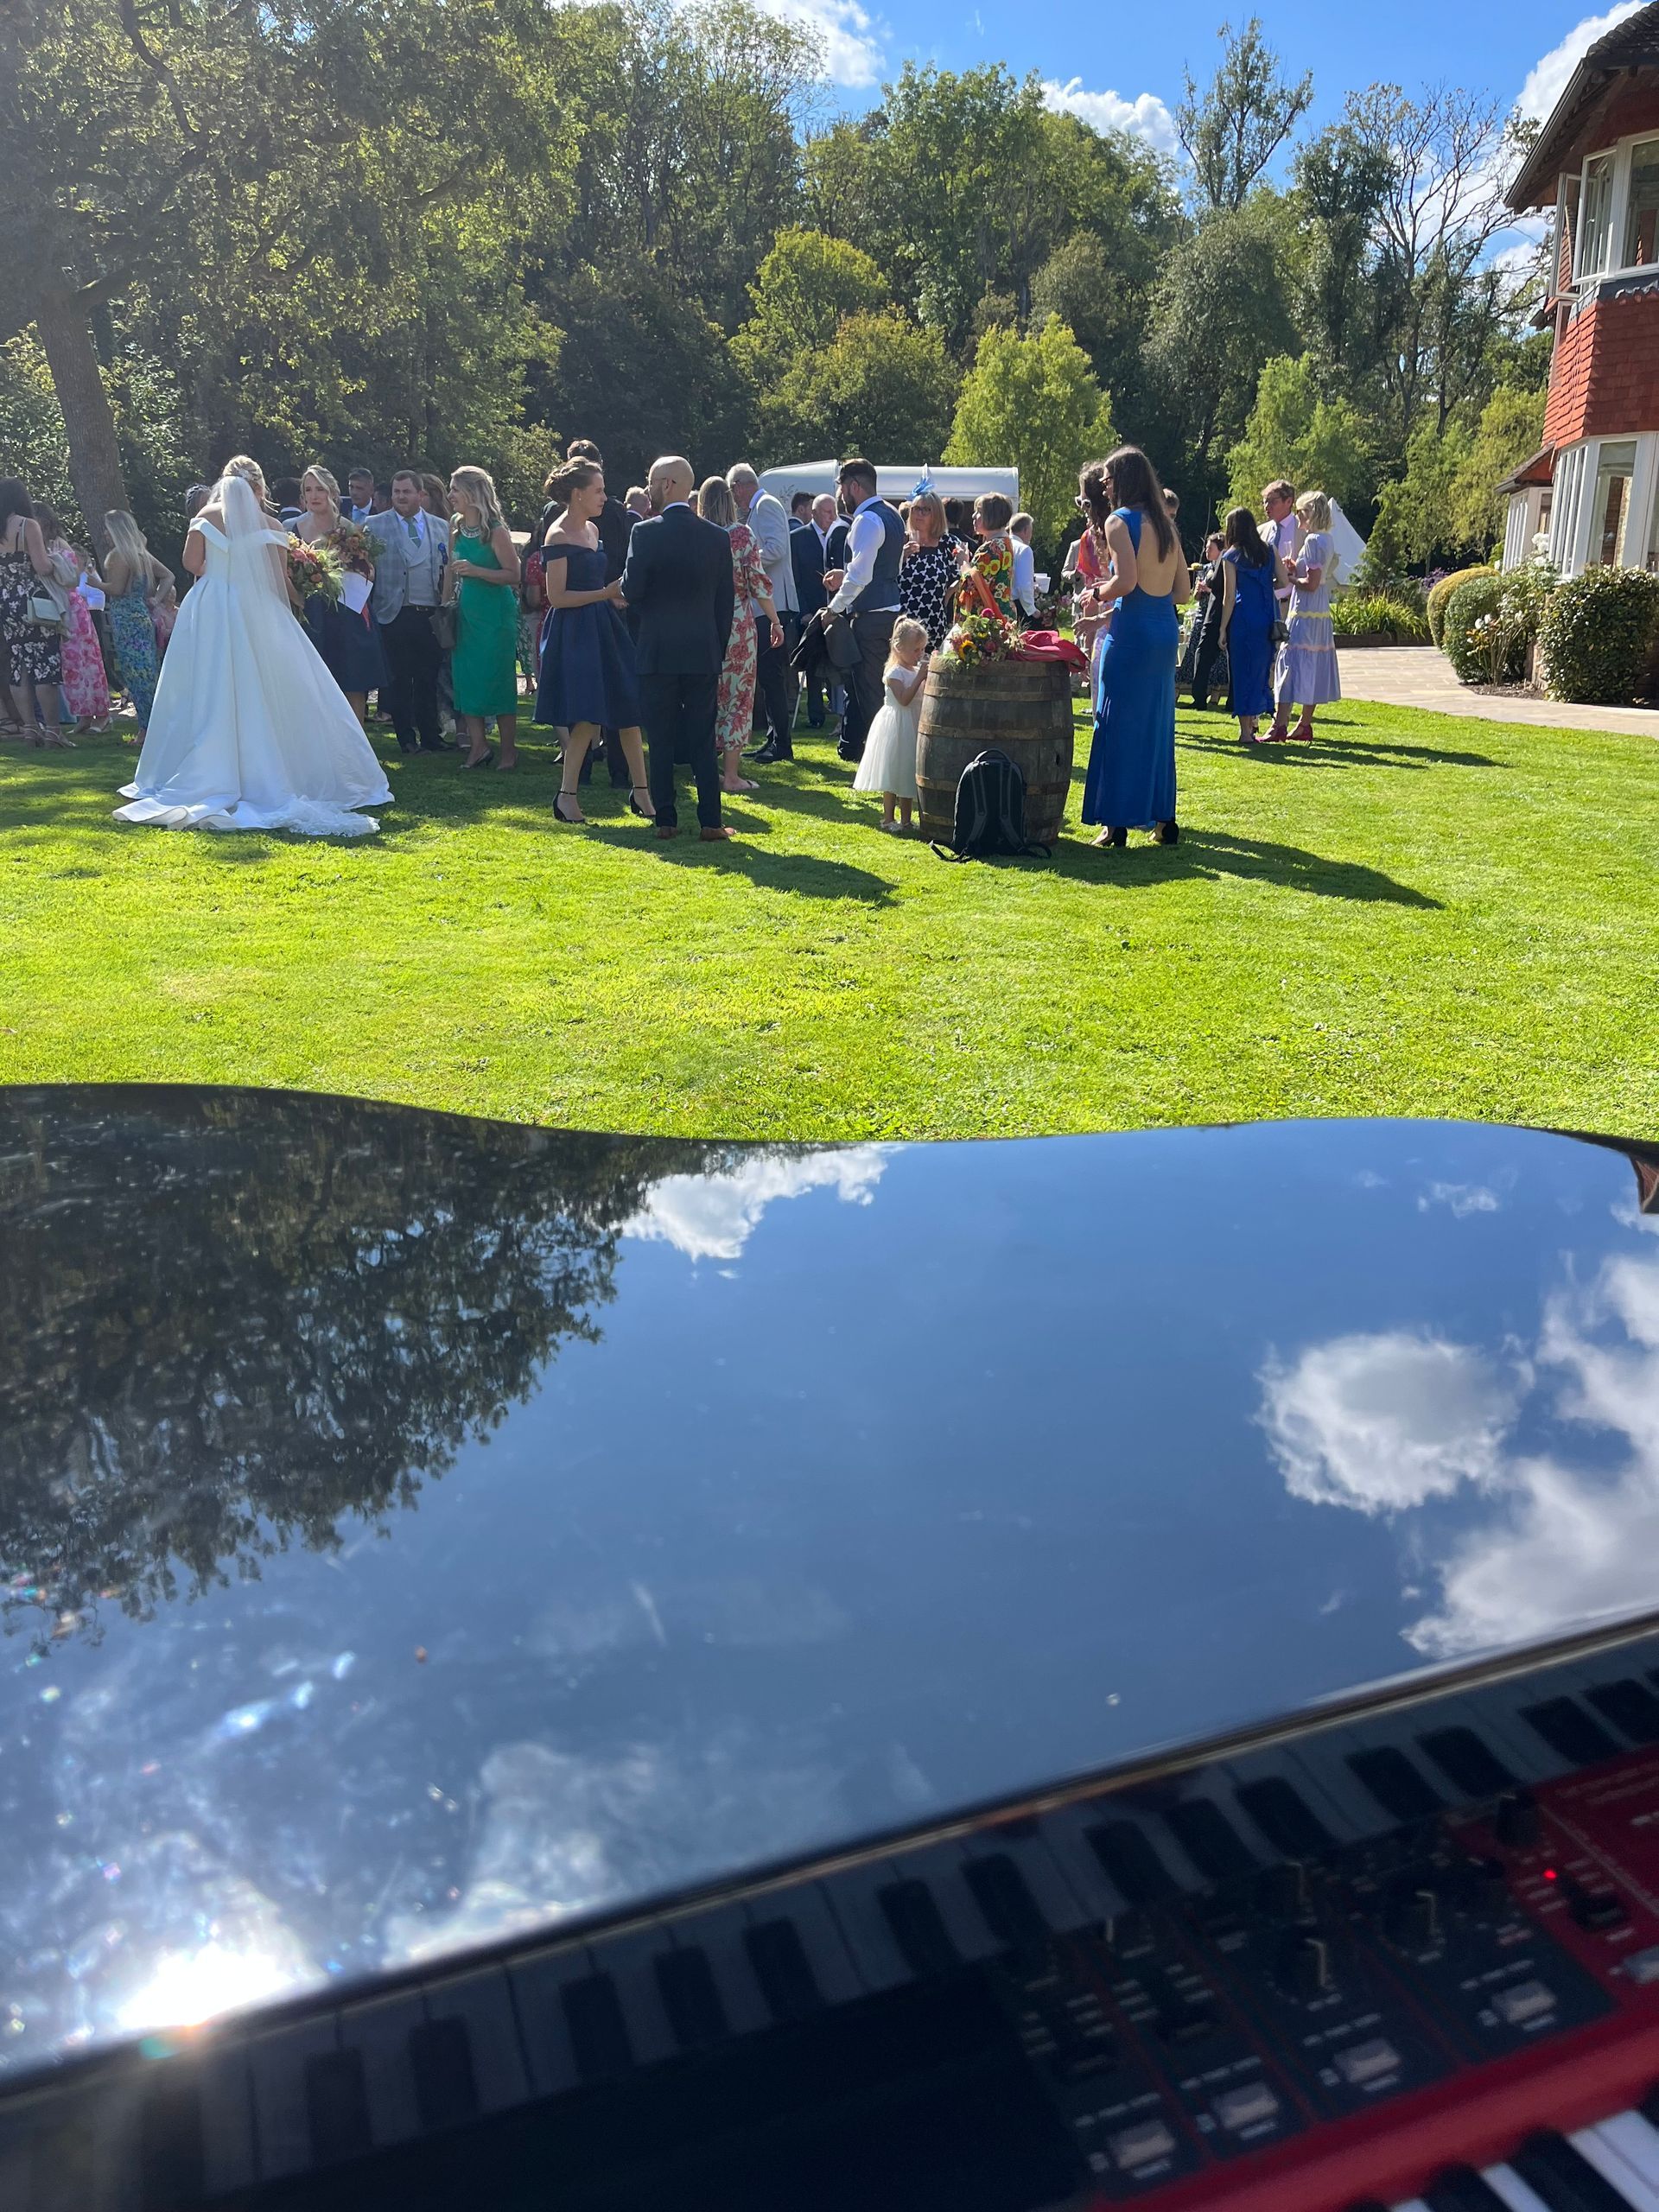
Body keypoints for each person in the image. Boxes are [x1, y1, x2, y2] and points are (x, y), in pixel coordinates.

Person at [115, 458, 393, 836]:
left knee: (209, 684)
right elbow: (280, 579)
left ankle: (206, 762)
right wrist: (311, 591)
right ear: (259, 490)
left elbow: (192, 564)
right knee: (261, 682)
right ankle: (266, 766)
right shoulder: (272, 525)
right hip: (257, 607)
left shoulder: (206, 516)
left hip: (212, 607)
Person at [618, 454, 734, 842]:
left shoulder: (645, 534)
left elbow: (631, 592)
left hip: (657, 650)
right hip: (702, 651)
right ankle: (711, 821)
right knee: (703, 739)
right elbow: (725, 604)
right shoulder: (717, 537)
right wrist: (715, 650)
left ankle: (665, 818)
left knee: (661, 738)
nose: (649, 488)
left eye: (651, 481)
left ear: (667, 484)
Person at [1081, 445, 1190, 851]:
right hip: (1163, 630)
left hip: (1131, 632)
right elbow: (1182, 592)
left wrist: (1096, 592)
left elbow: (1125, 581)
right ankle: (1163, 819)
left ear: (1121, 481)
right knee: (1157, 725)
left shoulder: (1118, 522)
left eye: (1108, 479)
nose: (1104, 486)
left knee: (1115, 722)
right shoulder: (1166, 526)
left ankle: (1115, 825)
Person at [535, 458, 652, 822]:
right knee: (587, 716)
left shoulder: (593, 531)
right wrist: (604, 593)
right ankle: (566, 797)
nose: (604, 497)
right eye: (598, 490)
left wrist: (613, 597)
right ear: (577, 493)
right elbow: (557, 597)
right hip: (575, 634)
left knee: (628, 709)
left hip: (603, 625)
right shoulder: (557, 536)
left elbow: (595, 588)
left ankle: (643, 794)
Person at [700, 475, 779, 795]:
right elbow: (758, 583)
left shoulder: (699, 535)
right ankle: (732, 776)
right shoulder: (741, 535)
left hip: (703, 624)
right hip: (737, 626)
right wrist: (775, 621)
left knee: (706, 698)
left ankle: (706, 769)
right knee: (738, 699)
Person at [823, 458, 903, 764]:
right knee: (886, 691)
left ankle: (882, 765)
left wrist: (833, 608)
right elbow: (885, 568)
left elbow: (861, 576)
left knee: (871, 695)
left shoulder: (866, 519)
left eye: (843, 487)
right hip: (891, 613)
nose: (842, 494)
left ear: (855, 486)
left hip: (870, 619)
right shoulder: (893, 515)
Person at [293, 464, 386, 728]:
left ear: (332, 492)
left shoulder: (349, 530)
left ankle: (356, 742)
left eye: (320, 489)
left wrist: (348, 565)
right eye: (308, 490)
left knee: (352, 678)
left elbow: (370, 573)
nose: (314, 495)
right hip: (309, 612)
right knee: (314, 679)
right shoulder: (292, 529)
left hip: (346, 612)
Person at [365, 468, 450, 753]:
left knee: (428, 677)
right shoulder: (374, 525)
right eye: (397, 492)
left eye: (407, 492)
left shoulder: (441, 527)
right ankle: (406, 738)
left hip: (430, 613)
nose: (401, 497)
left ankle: (431, 735)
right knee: (399, 679)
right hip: (393, 611)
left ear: (421, 495)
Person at [445, 466, 521, 772]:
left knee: (497, 679)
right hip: (466, 612)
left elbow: (513, 575)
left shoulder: (496, 530)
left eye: (455, 490)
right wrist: (444, 604)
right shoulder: (455, 527)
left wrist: (477, 571)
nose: (450, 496)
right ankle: (478, 747)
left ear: (472, 493)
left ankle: (508, 751)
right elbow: (449, 570)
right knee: (466, 678)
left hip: (495, 615)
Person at [728, 463, 798, 765]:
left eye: (734, 491)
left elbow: (777, 548)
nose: (734, 499)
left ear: (740, 486)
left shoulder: (766, 505)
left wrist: (746, 561)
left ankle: (781, 743)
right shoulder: (761, 507)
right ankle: (774, 738)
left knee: (772, 677)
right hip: (768, 602)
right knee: (769, 678)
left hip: (773, 604)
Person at [0, 479, 69, 746]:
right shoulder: (28, 526)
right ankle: (53, 729)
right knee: (44, 664)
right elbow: (41, 567)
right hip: (33, 601)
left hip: (7, 603)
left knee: (18, 666)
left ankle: (30, 728)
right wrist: (56, 564)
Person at [1269, 491, 1341, 742]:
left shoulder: (1312, 541)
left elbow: (1311, 583)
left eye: (1300, 511)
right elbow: (1316, 577)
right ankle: (1304, 723)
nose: (1298, 516)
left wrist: (1289, 577)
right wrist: (1296, 568)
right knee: (1312, 665)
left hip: (1304, 612)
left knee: (1289, 661)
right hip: (1319, 613)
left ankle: (1280, 724)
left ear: (1309, 513)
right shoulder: (1327, 540)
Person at [36, 504, 111, 733]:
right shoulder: (38, 546)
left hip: (72, 609)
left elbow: (72, 577)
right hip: (59, 608)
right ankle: (84, 716)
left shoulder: (60, 545)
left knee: (86, 662)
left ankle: (102, 716)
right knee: (71, 666)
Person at [1215, 505, 1285, 746]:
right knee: (1260, 671)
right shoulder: (1269, 550)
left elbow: (1229, 596)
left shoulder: (1231, 555)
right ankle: (1255, 725)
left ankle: (1246, 732)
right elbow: (1284, 581)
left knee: (1242, 672)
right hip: (1266, 617)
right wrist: (1265, 586)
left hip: (1243, 618)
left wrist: (1223, 628)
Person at [853, 615, 928, 834]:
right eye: (915, 650)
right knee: (893, 772)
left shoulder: (915, 672)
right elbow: (904, 699)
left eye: (922, 649)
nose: (919, 654)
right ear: (898, 648)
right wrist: (920, 677)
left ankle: (906, 819)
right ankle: (888, 818)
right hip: (897, 725)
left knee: (907, 771)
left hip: (913, 723)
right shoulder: (894, 672)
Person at [101, 509, 169, 745]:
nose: (105, 535)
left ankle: (147, 730)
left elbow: (117, 589)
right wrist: (156, 600)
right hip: (141, 615)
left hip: (126, 618)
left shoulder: (121, 555)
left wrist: (93, 582)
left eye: (108, 530)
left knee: (137, 675)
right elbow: (168, 576)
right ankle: (150, 727)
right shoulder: (140, 555)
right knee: (147, 672)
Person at [791, 492, 835, 727]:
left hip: (836, 607)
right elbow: (795, 580)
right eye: (827, 512)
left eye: (834, 511)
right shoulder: (797, 538)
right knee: (814, 662)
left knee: (839, 659)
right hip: (811, 610)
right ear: (814, 513)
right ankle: (816, 713)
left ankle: (839, 712)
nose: (832, 516)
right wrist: (804, 612)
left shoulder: (841, 534)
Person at [898, 492, 957, 652]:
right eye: (916, 509)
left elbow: (961, 577)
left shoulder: (947, 543)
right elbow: (884, 575)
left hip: (934, 623)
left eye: (926, 510)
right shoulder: (900, 541)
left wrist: (946, 597)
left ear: (936, 514)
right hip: (904, 624)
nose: (919, 514)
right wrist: (901, 558)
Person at [1179, 531, 1228, 711]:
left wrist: (1210, 589)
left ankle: (1216, 693)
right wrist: (1200, 591)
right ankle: (1197, 694)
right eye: (1206, 548)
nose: (1207, 551)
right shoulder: (1206, 569)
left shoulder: (1226, 567)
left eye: (1211, 548)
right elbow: (1196, 596)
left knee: (1215, 658)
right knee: (1195, 653)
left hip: (1218, 615)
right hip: (1203, 614)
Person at [960, 492, 1017, 625]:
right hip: (1002, 614)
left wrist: (963, 561)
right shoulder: (1005, 543)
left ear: (992, 517)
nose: (973, 516)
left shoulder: (992, 548)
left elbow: (972, 585)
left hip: (988, 620)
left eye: (979, 512)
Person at [1261, 479, 1297, 615]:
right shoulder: (1260, 532)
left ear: (1288, 502)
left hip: (1291, 606)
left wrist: (1298, 567)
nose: (1267, 506)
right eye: (1265, 501)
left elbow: (1330, 561)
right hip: (1264, 604)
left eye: (1273, 501)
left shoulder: (1303, 530)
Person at [1009, 511, 1038, 625]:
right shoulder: (1024, 549)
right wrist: (1032, 609)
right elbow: (1023, 585)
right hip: (1019, 605)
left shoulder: (1002, 544)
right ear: (1025, 530)